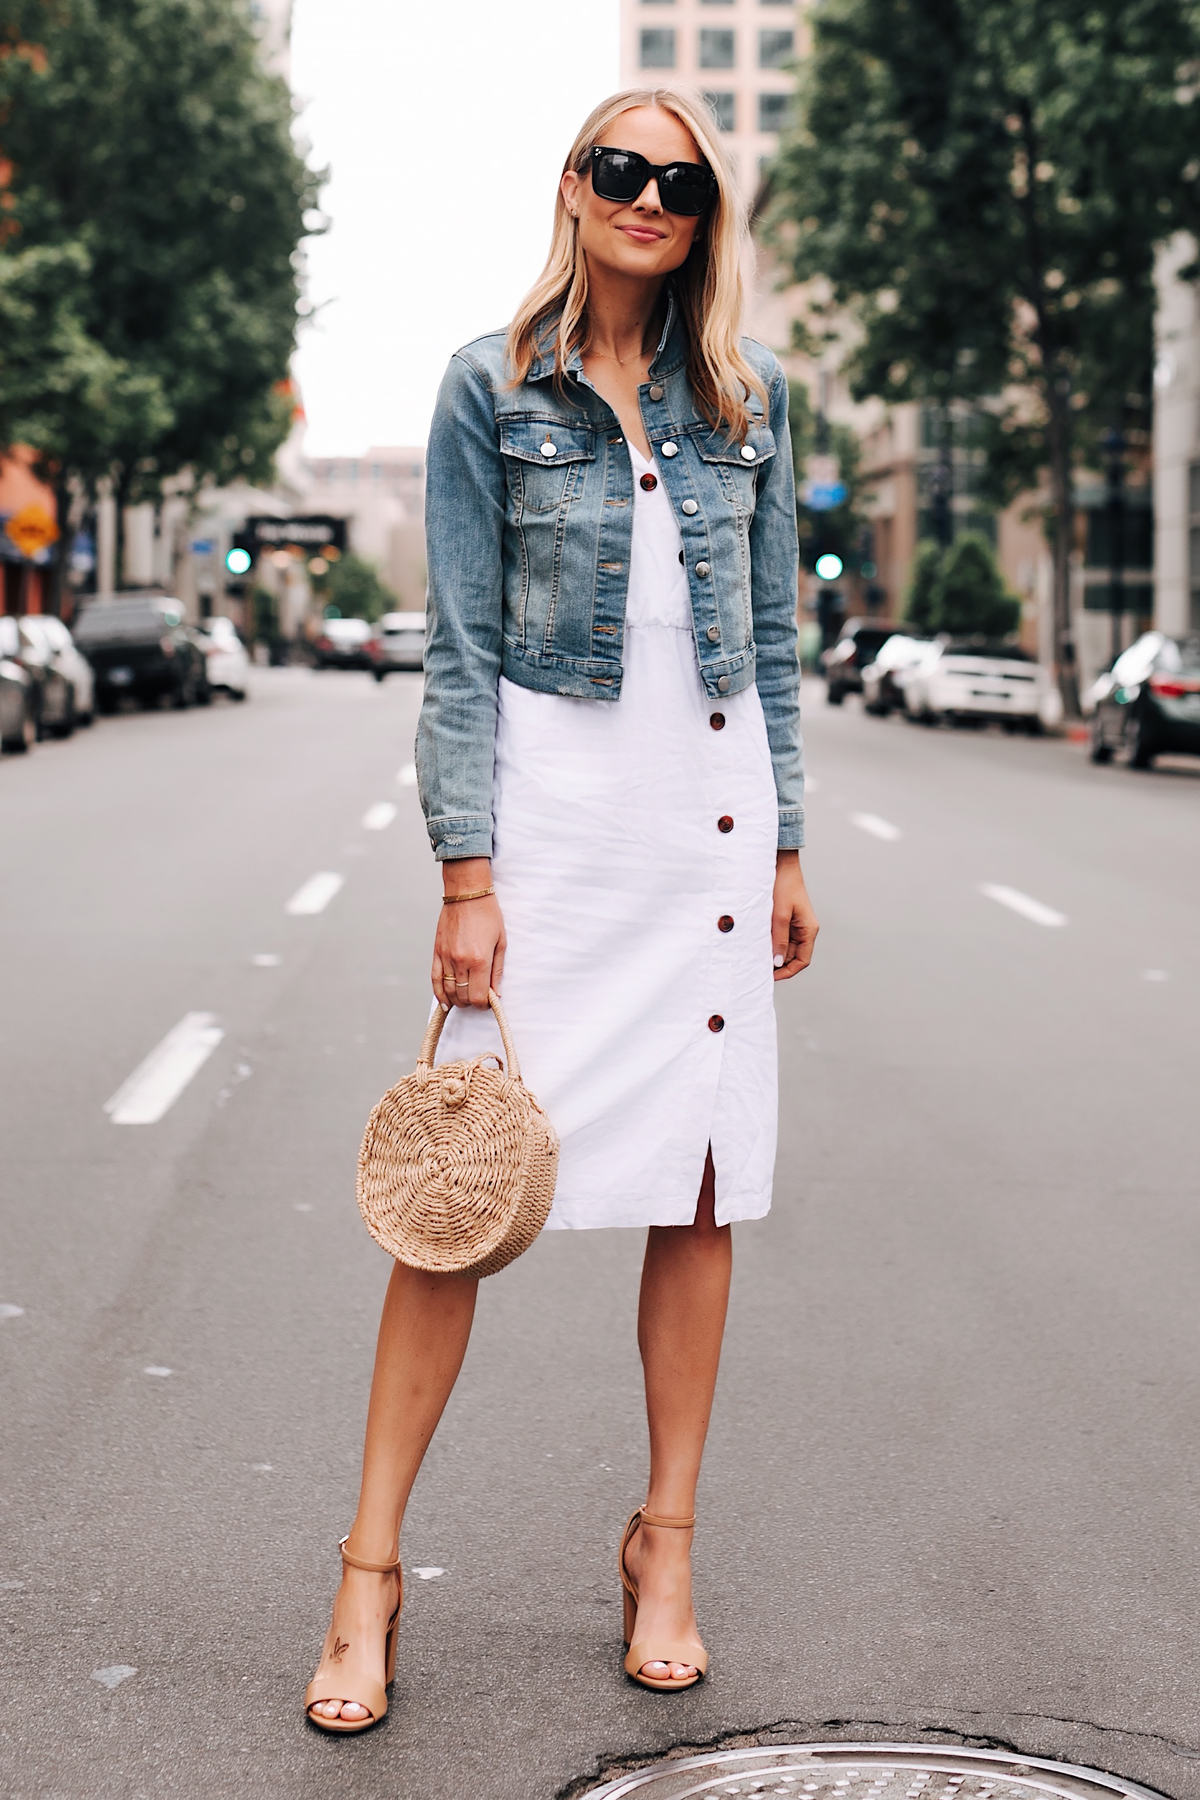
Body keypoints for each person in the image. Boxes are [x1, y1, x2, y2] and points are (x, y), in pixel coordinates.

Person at [304, 85, 818, 1733]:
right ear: (575, 185)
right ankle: (367, 1571)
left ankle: (665, 1544)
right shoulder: (490, 383)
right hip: (555, 831)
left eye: (679, 180)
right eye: (623, 169)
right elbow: (457, 648)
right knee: (455, 1194)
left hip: (709, 832)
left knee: (701, 1187)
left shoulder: (749, 398)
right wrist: (467, 873)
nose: (649, 198)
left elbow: (781, 649)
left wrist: (789, 843)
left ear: (704, 213)